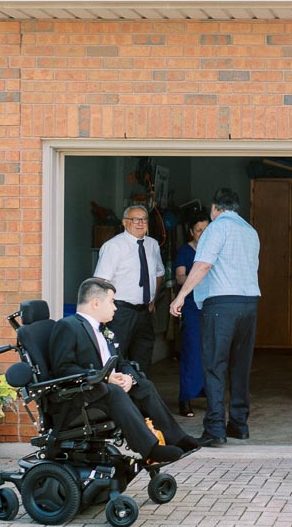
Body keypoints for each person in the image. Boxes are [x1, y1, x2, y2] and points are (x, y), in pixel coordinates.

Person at [49, 277, 196, 463]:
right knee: (114, 392)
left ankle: (178, 439)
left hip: (103, 391)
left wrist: (128, 378)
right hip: (80, 397)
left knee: (144, 385)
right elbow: (63, 368)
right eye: (112, 302)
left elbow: (121, 361)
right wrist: (104, 378)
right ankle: (151, 449)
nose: (115, 308)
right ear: (95, 303)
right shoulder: (68, 326)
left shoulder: (104, 330)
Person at [169, 188, 260, 447]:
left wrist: (181, 296)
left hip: (221, 304)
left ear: (215, 208)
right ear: (237, 207)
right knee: (240, 366)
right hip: (249, 303)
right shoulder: (250, 232)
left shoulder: (216, 228)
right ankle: (239, 424)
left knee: (215, 365)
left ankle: (215, 428)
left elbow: (203, 265)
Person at [93, 204, 164, 372]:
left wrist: (152, 299)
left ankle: (138, 397)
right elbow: (100, 281)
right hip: (120, 312)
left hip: (144, 312)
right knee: (116, 358)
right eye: (135, 219)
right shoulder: (114, 246)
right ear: (125, 223)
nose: (140, 223)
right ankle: (117, 397)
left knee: (143, 359)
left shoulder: (153, 245)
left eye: (144, 219)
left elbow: (159, 273)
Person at [171, 210, 210, 417]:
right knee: (191, 352)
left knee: (211, 353)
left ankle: (209, 394)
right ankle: (185, 398)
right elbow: (179, 277)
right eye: (198, 230)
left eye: (206, 230)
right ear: (191, 231)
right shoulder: (185, 251)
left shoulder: (214, 251)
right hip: (192, 306)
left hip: (211, 307)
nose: (202, 234)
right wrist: (196, 279)